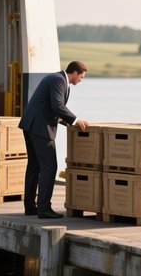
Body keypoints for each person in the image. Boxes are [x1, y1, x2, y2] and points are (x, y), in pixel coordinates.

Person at [19, 61, 90, 219]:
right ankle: (44, 208)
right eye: (81, 76)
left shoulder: (56, 78)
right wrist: (76, 120)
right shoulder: (59, 80)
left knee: (34, 166)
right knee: (49, 167)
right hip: (40, 128)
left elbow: (52, 108)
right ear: (74, 73)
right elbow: (57, 106)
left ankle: (30, 206)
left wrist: (69, 123)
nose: (81, 80)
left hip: (31, 125)